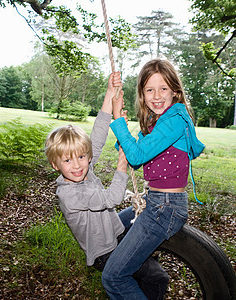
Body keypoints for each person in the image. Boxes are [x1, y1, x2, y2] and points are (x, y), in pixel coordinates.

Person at [44, 71, 169, 299]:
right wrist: (122, 162)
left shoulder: (83, 171)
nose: (77, 166)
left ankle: (141, 258)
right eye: (68, 160)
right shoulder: (69, 194)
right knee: (157, 278)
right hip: (105, 252)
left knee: (142, 212)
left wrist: (110, 93)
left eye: (81, 157)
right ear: (55, 165)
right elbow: (111, 199)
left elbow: (98, 137)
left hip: (113, 229)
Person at [102, 59, 206, 299]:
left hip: (165, 208)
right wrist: (122, 130)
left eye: (163, 89)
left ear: (175, 92)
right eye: (150, 89)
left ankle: (133, 275)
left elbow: (137, 154)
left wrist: (118, 121)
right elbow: (136, 159)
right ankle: (149, 276)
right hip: (155, 201)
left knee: (113, 278)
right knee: (113, 228)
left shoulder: (175, 121)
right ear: (142, 93)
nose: (156, 96)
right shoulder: (157, 123)